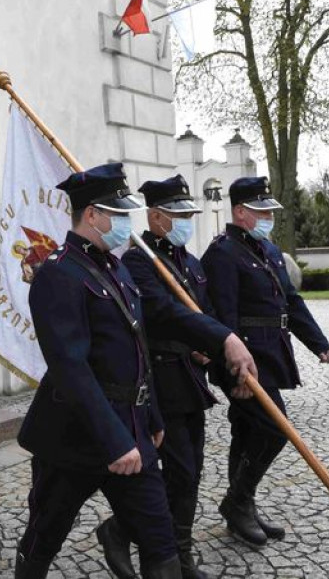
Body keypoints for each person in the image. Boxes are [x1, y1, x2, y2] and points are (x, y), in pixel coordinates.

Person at [14, 163, 257, 579]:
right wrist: (114, 442)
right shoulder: (58, 273)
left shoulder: (117, 268)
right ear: (92, 215)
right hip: (77, 436)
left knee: (160, 540)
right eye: (118, 213)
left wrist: (152, 419)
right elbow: (70, 368)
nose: (126, 221)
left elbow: (139, 351)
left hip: (131, 428)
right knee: (47, 531)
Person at [94, 174, 251, 579]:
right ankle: (154, 545)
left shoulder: (191, 263)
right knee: (179, 472)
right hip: (160, 382)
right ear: (156, 216)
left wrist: (222, 361)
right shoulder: (138, 262)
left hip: (191, 380)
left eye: (189, 214)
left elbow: (207, 316)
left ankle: (160, 544)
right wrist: (211, 337)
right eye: (178, 215)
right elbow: (166, 314)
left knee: (191, 471)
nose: (186, 221)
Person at [200, 176, 329, 546]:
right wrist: (234, 368)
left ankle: (242, 508)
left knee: (247, 431)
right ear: (240, 212)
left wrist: (317, 342)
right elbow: (221, 315)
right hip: (243, 361)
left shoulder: (267, 250)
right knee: (275, 429)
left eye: (270, 211)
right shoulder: (223, 253)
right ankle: (237, 502)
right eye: (261, 211)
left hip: (271, 354)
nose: (268, 217)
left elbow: (290, 301)